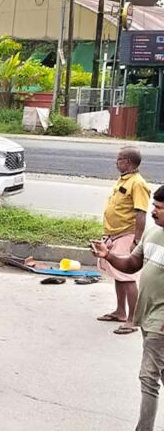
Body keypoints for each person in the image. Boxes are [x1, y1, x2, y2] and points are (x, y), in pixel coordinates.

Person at [91, 185, 164, 431]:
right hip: (147, 314)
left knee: (148, 377)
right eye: (155, 206)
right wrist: (108, 256)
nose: (153, 212)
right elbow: (133, 264)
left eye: (160, 208)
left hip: (161, 321)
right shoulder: (152, 234)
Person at [97, 147, 150, 335]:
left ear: (128, 162)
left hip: (127, 235)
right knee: (118, 274)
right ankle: (120, 312)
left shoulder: (138, 183)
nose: (116, 162)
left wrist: (136, 240)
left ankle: (133, 320)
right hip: (115, 233)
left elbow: (141, 213)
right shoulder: (125, 179)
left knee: (127, 278)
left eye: (119, 159)